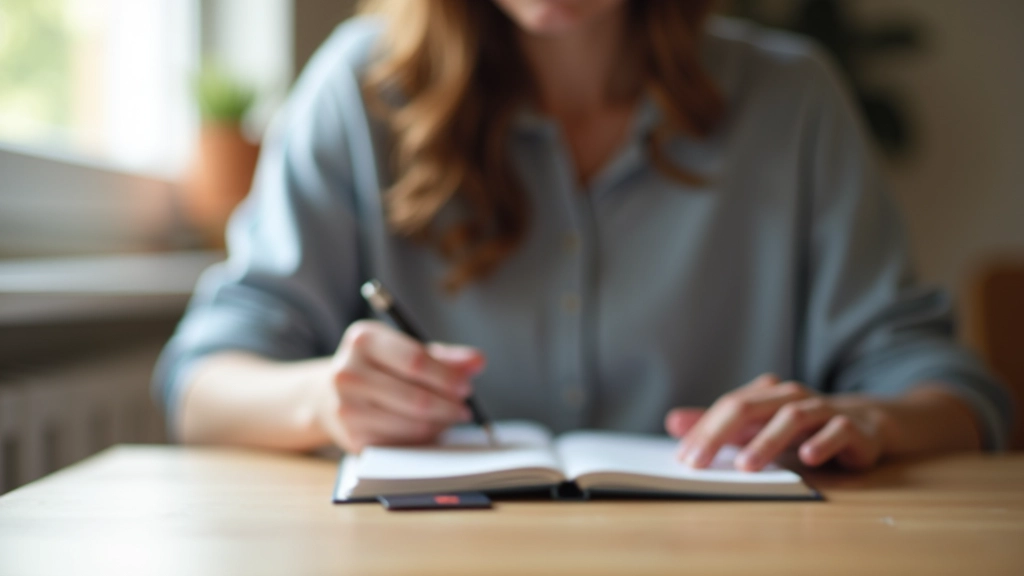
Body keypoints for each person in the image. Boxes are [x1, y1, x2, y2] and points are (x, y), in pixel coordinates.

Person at [155, 0, 1010, 472]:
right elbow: (200, 384)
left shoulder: (793, 102)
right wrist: (321, 398)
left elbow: (955, 393)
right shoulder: (357, 90)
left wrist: (865, 418)